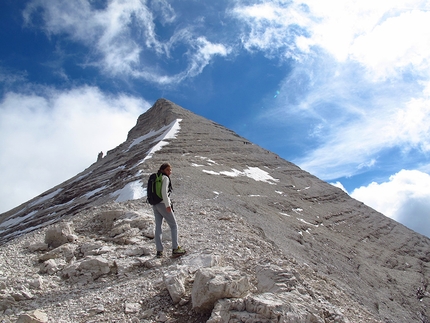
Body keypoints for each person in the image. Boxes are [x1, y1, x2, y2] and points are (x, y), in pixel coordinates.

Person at [152, 163, 186, 258]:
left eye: (170, 170)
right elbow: (164, 192)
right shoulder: (165, 178)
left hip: (155, 205)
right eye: (168, 170)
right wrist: (168, 205)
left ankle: (159, 251)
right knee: (174, 225)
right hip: (163, 204)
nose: (170, 172)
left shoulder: (155, 177)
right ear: (163, 170)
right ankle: (175, 248)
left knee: (158, 226)